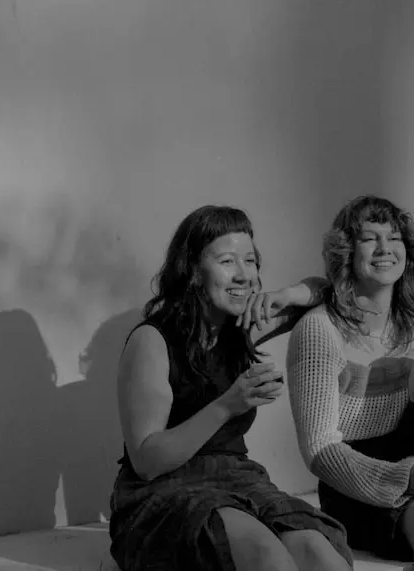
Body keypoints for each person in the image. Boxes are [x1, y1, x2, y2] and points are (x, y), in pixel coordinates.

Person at [239, 195, 414, 571]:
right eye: (370, 239)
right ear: (348, 251)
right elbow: (320, 450)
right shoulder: (320, 329)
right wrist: (404, 477)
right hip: (362, 482)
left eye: (394, 237)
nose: (385, 248)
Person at [108, 205, 354, 571]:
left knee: (320, 555)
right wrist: (228, 405)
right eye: (227, 261)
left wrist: (283, 295)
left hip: (238, 480)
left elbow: (328, 293)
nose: (244, 275)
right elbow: (146, 460)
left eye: (251, 261)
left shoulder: (240, 330)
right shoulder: (153, 341)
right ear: (192, 271)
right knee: (268, 557)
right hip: (163, 492)